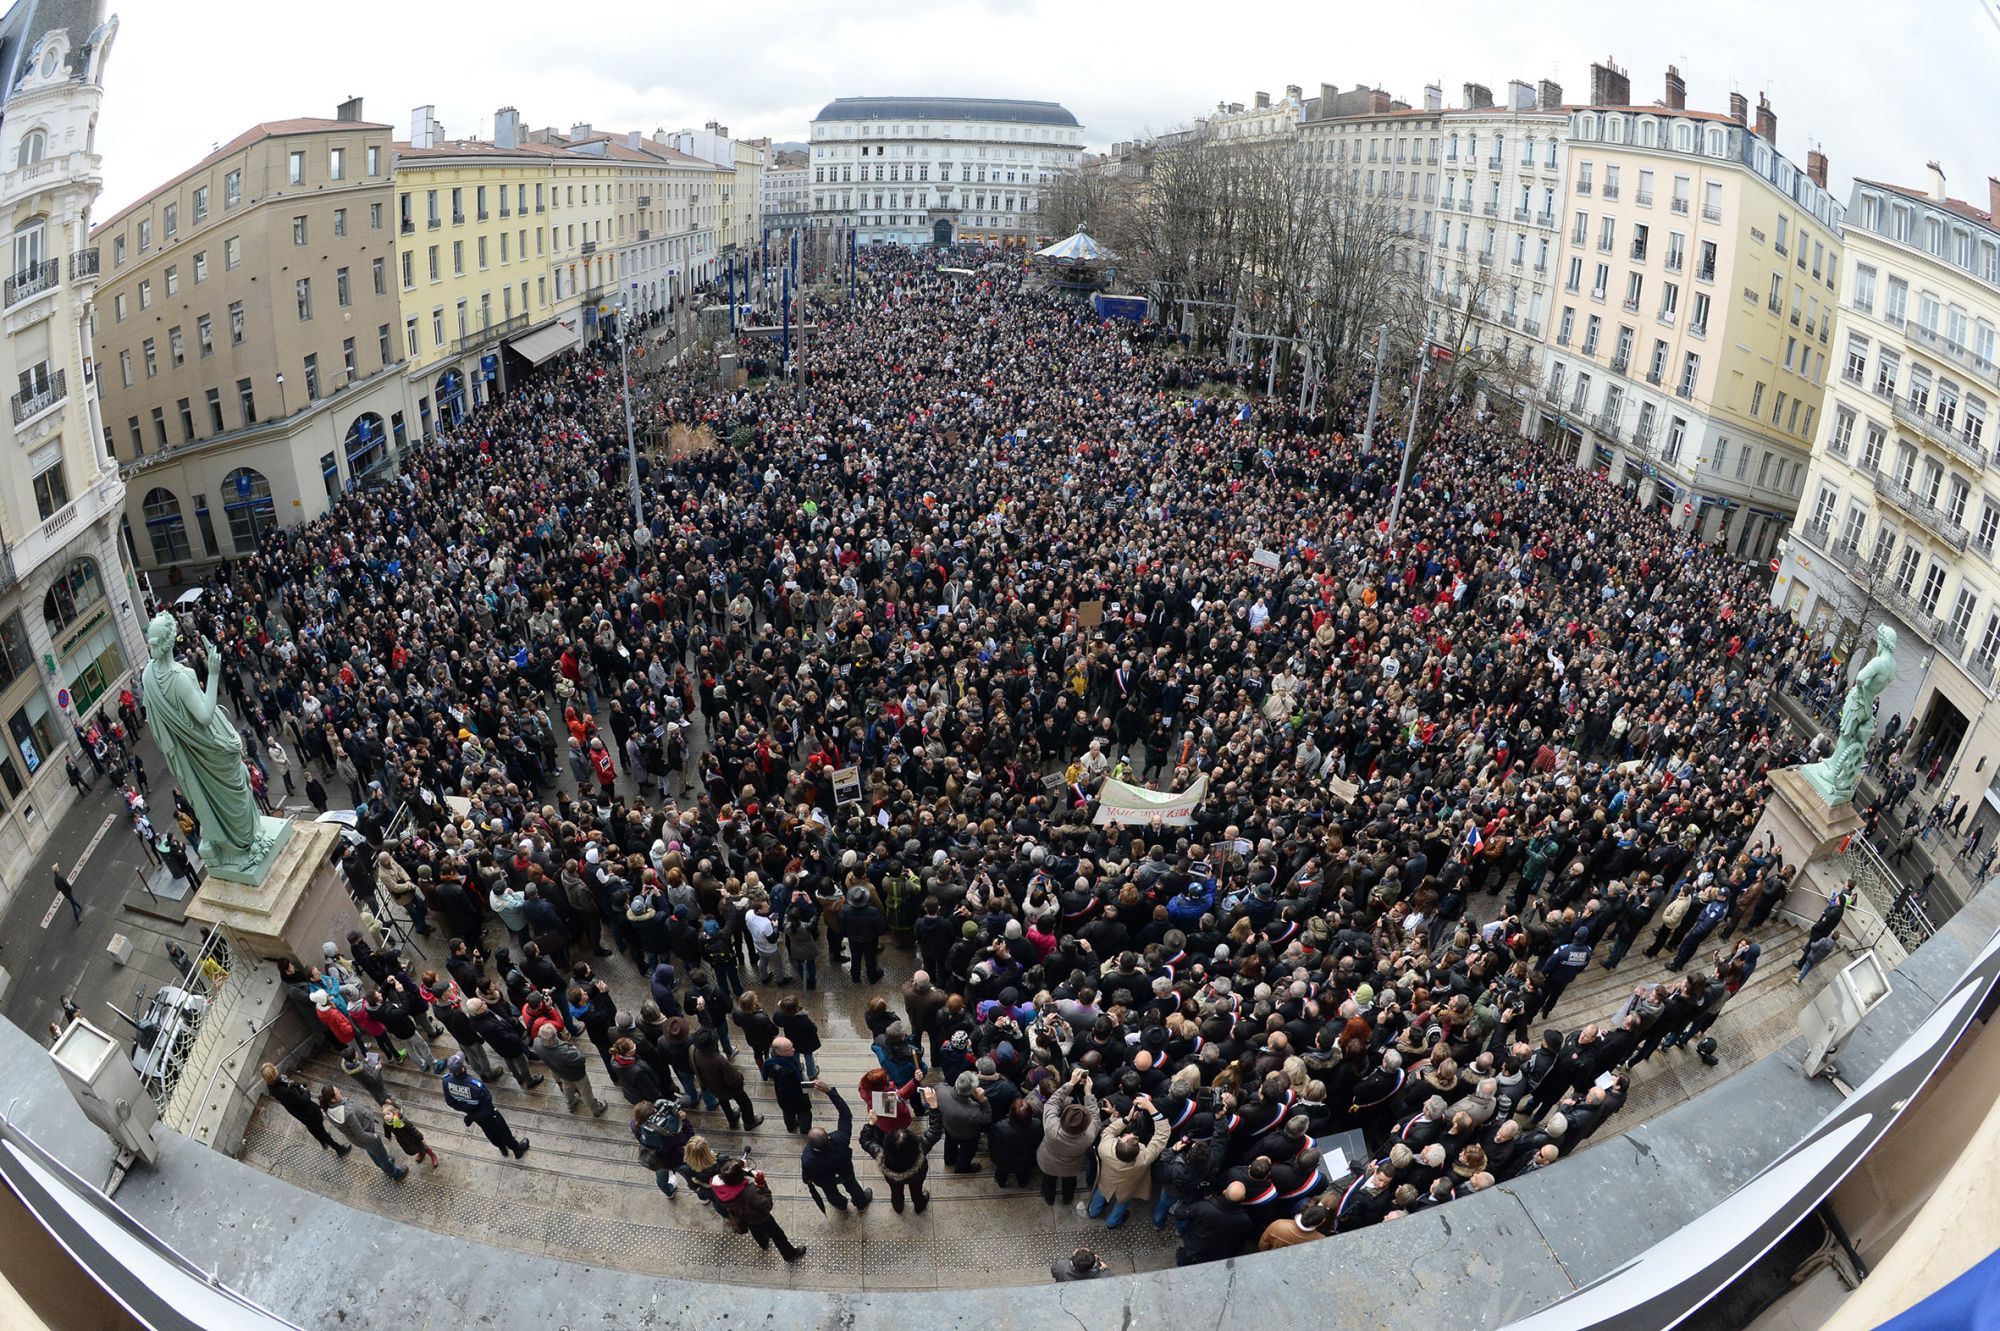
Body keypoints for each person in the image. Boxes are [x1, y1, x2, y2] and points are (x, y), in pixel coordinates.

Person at [1090, 1093, 1168, 1228]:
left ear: (1118, 1143)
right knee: (1122, 1203)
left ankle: (1093, 1212)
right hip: (1128, 1187)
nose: (1129, 1134)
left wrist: (1126, 1119)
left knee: (1101, 1193)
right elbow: (1162, 1135)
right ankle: (1112, 1223)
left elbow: (1108, 1132)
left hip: (1107, 1181)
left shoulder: (1105, 1149)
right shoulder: (1144, 1159)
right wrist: (1151, 1109)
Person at [711, 1157, 806, 1263]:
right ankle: (790, 1255)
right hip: (761, 1219)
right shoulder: (750, 1192)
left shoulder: (720, 1190)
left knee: (755, 1231)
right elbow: (767, 1205)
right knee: (778, 1236)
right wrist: (762, 1184)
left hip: (744, 1218)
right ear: (740, 1176)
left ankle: (763, 1243)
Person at [801, 1080, 874, 1213]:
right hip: (843, 1166)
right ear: (828, 1137)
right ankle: (861, 1202)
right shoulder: (840, 1138)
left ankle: (840, 1205)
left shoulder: (808, 1158)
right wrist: (829, 1091)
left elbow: (807, 1176)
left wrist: (808, 1181)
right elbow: (845, 1114)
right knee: (851, 1183)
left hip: (824, 1177)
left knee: (830, 1190)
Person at [441, 1054, 530, 1158]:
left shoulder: (446, 1081)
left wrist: (469, 1112)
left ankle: (502, 1148)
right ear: (462, 1068)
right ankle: (516, 1150)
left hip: (474, 1114)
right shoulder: (476, 1086)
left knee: (489, 1132)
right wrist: (472, 1116)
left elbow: (450, 1102)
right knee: (503, 1131)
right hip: (489, 1115)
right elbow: (487, 1108)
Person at [875, 1085, 947, 1213]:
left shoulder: (878, 1152)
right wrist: (934, 1105)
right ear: (914, 1143)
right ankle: (919, 1206)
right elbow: (935, 1130)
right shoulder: (922, 1147)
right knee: (917, 1190)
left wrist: (871, 1123)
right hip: (917, 1174)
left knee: (895, 1192)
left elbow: (865, 1140)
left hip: (892, 1177)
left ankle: (898, 1206)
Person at [1037, 1068, 1099, 1206]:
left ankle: (1049, 1199)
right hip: (1071, 1166)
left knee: (1048, 1180)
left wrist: (1071, 1083)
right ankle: (1067, 1199)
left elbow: (1052, 1103)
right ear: (1085, 1125)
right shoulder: (1089, 1136)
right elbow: (1095, 1116)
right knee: (1070, 1182)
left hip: (1048, 1162)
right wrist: (1088, 1094)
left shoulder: (1051, 1127)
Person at [318, 1086, 405, 1180]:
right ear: (333, 1099)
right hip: (367, 1137)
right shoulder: (348, 1114)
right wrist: (374, 1137)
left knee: (373, 1152)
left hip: (359, 1139)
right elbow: (361, 1135)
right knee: (381, 1155)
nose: (340, 1091)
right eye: (337, 1092)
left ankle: (381, 1163)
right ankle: (395, 1173)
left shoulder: (328, 1107)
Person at [259, 1063, 346, 1155]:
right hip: (306, 1111)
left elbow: (292, 1086)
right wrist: (306, 1091)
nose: (276, 1067)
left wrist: (298, 1086)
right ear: (273, 1074)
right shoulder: (284, 1091)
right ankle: (338, 1149)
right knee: (320, 1129)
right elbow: (304, 1100)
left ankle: (323, 1141)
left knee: (312, 1127)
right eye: (274, 1068)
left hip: (298, 1111)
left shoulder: (272, 1086)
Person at [536, 1024, 608, 1116]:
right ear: (554, 1037)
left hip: (559, 1072)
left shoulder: (537, 1044)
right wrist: (575, 1049)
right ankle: (595, 1109)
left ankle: (571, 1105)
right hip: (576, 1074)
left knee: (567, 1088)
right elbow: (581, 1059)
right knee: (586, 1091)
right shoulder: (564, 1052)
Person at [763, 1036, 815, 1135]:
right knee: (805, 1114)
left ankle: (791, 1127)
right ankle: (805, 1130)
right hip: (795, 1098)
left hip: (783, 1100)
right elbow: (788, 1089)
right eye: (790, 1049)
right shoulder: (787, 1072)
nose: (794, 1049)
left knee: (788, 1113)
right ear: (780, 1052)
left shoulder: (771, 1062)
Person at [380, 1098, 440, 1169]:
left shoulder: (402, 1121)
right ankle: (422, 1153)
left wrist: (421, 1138)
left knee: (422, 1146)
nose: (386, 1117)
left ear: (394, 1113)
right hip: (402, 1140)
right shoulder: (387, 1123)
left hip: (412, 1138)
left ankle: (432, 1155)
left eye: (388, 1114)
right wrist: (388, 1136)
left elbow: (412, 1129)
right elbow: (387, 1130)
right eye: (384, 1115)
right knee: (411, 1149)